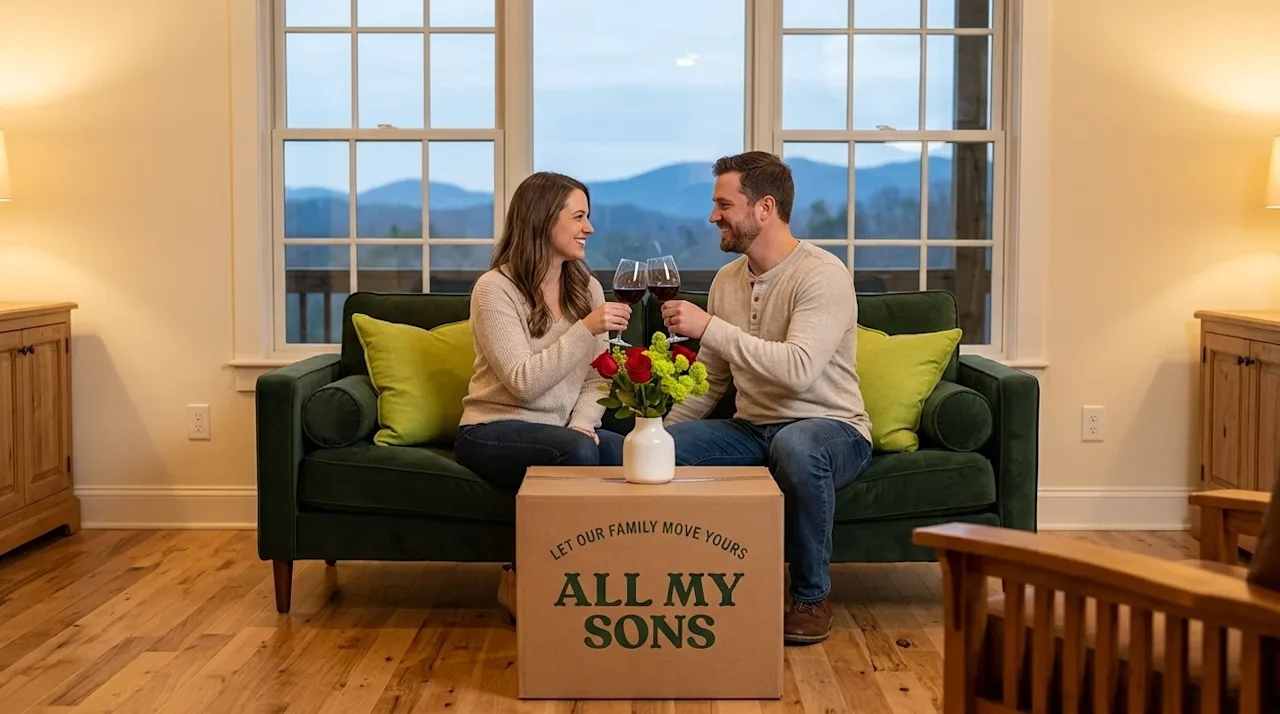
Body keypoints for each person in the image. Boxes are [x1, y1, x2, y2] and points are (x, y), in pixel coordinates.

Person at [661, 151, 874, 645]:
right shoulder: (726, 281)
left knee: (796, 447)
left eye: (723, 204)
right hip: (752, 429)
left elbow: (798, 371)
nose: (713, 216)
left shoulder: (821, 274)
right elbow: (712, 382)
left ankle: (811, 596)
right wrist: (655, 433)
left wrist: (709, 327)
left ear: (764, 208)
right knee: (660, 452)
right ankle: (676, 585)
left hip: (830, 427)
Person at [455, 171, 632, 620]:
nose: (588, 228)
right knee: (574, 453)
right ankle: (533, 581)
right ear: (543, 220)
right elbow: (521, 381)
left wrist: (582, 423)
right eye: (578, 217)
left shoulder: (585, 287)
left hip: (562, 432)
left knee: (634, 456)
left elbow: (601, 375)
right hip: (492, 429)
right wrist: (584, 329)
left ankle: (625, 579)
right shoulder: (494, 289)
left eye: (587, 217)